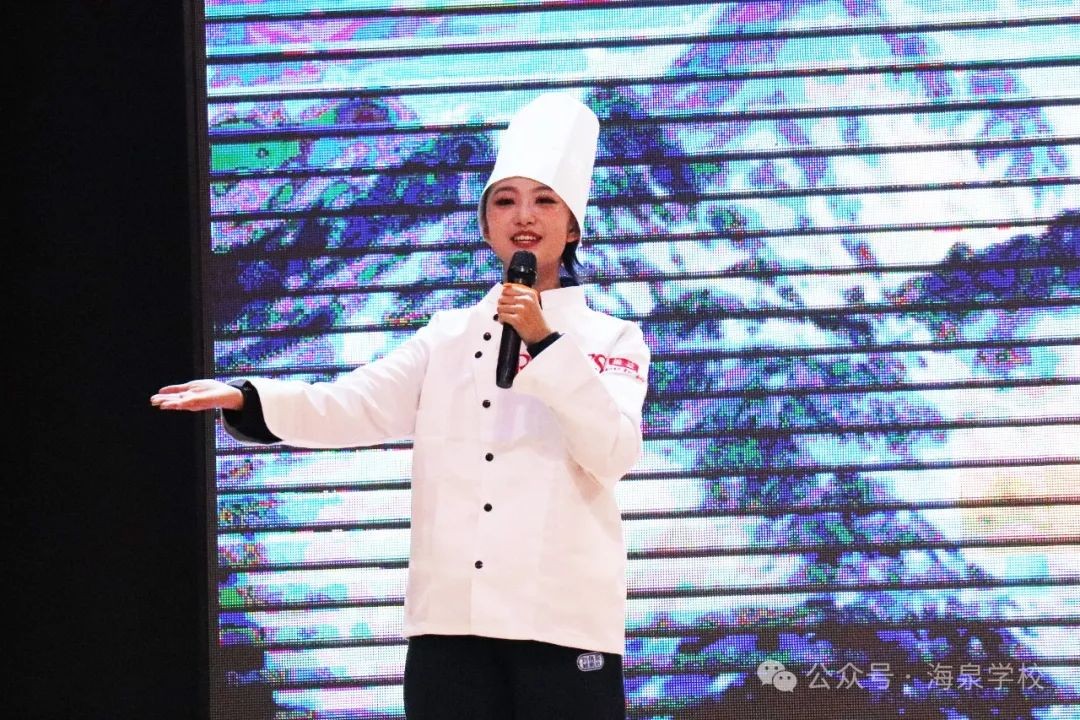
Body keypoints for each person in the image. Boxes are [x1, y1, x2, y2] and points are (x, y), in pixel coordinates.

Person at [152, 92, 650, 719]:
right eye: (505, 200)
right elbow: (353, 404)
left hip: (563, 623)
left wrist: (544, 344)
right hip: (450, 624)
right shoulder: (446, 335)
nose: (524, 215)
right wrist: (249, 397)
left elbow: (612, 453)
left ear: (573, 225)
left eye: (545, 200)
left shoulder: (612, 339)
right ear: (485, 224)